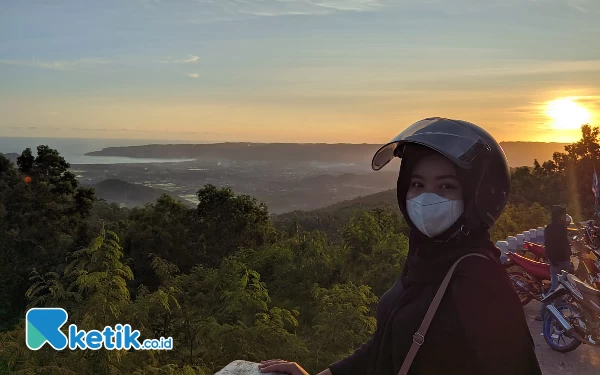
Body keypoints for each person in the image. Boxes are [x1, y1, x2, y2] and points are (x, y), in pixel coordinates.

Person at [259, 117, 541, 375]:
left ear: (477, 196)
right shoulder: (424, 260)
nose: (426, 197)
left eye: (446, 187)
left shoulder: (480, 279)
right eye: (417, 184)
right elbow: (387, 344)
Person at [536, 205, 573, 321]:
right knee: (556, 288)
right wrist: (554, 259)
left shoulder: (557, 227)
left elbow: (560, 244)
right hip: (558, 262)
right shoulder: (555, 228)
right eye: (563, 214)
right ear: (558, 215)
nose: (564, 216)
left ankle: (554, 312)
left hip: (561, 261)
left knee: (560, 288)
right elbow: (552, 246)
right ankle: (544, 313)